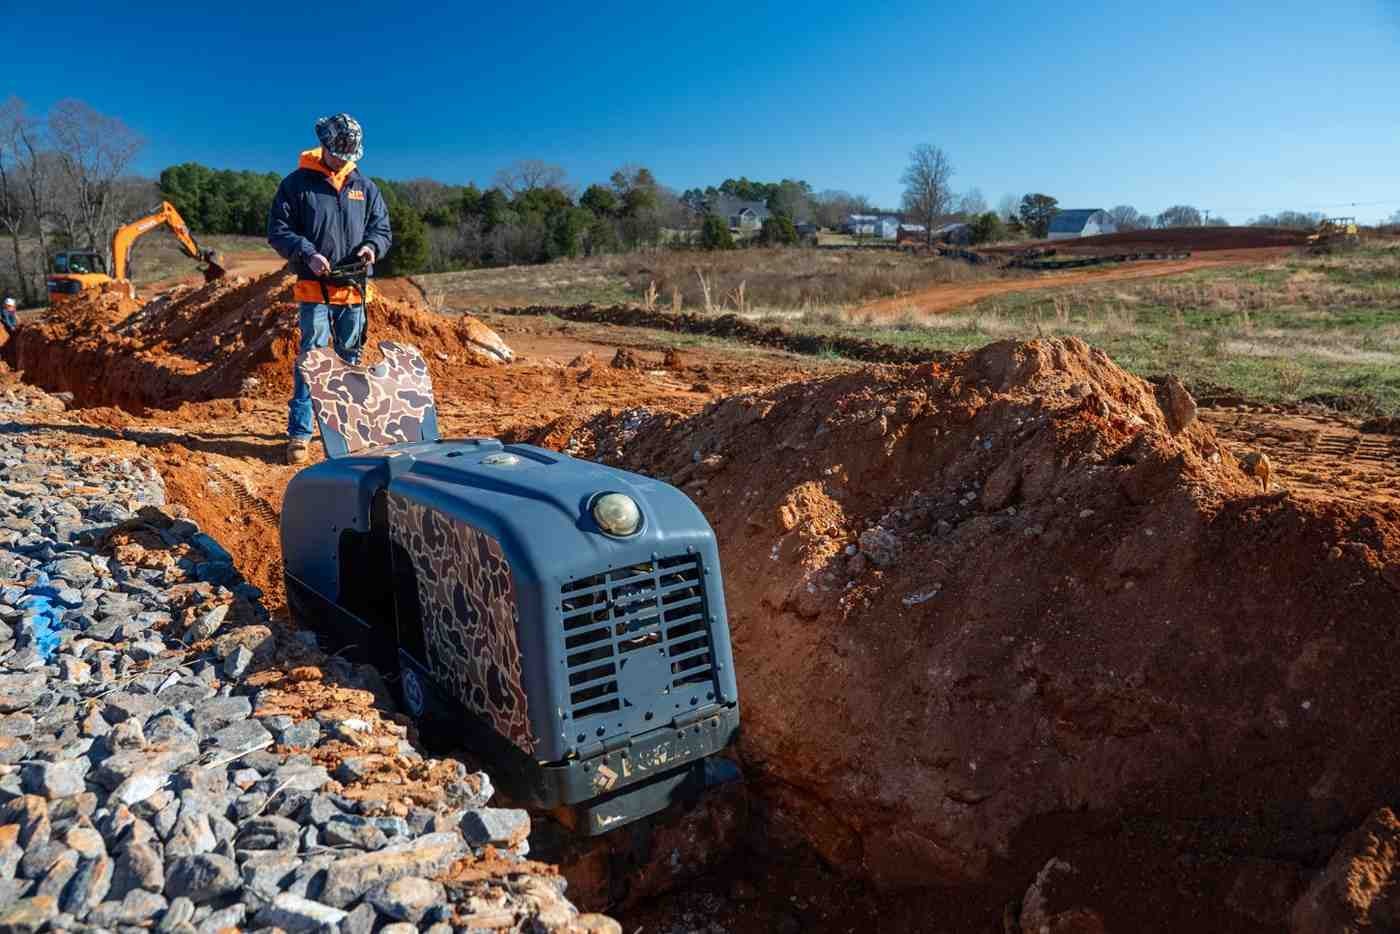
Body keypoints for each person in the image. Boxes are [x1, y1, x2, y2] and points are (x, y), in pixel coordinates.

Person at [267, 113, 392, 465]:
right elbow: (278, 230)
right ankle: (300, 434)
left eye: (351, 154)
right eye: (341, 153)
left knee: (350, 361)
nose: (346, 160)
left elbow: (382, 230)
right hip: (314, 290)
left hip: (354, 290)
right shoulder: (296, 185)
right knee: (313, 360)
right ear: (325, 146)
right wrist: (308, 253)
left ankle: (344, 430)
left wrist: (372, 248)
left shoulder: (364, 188)